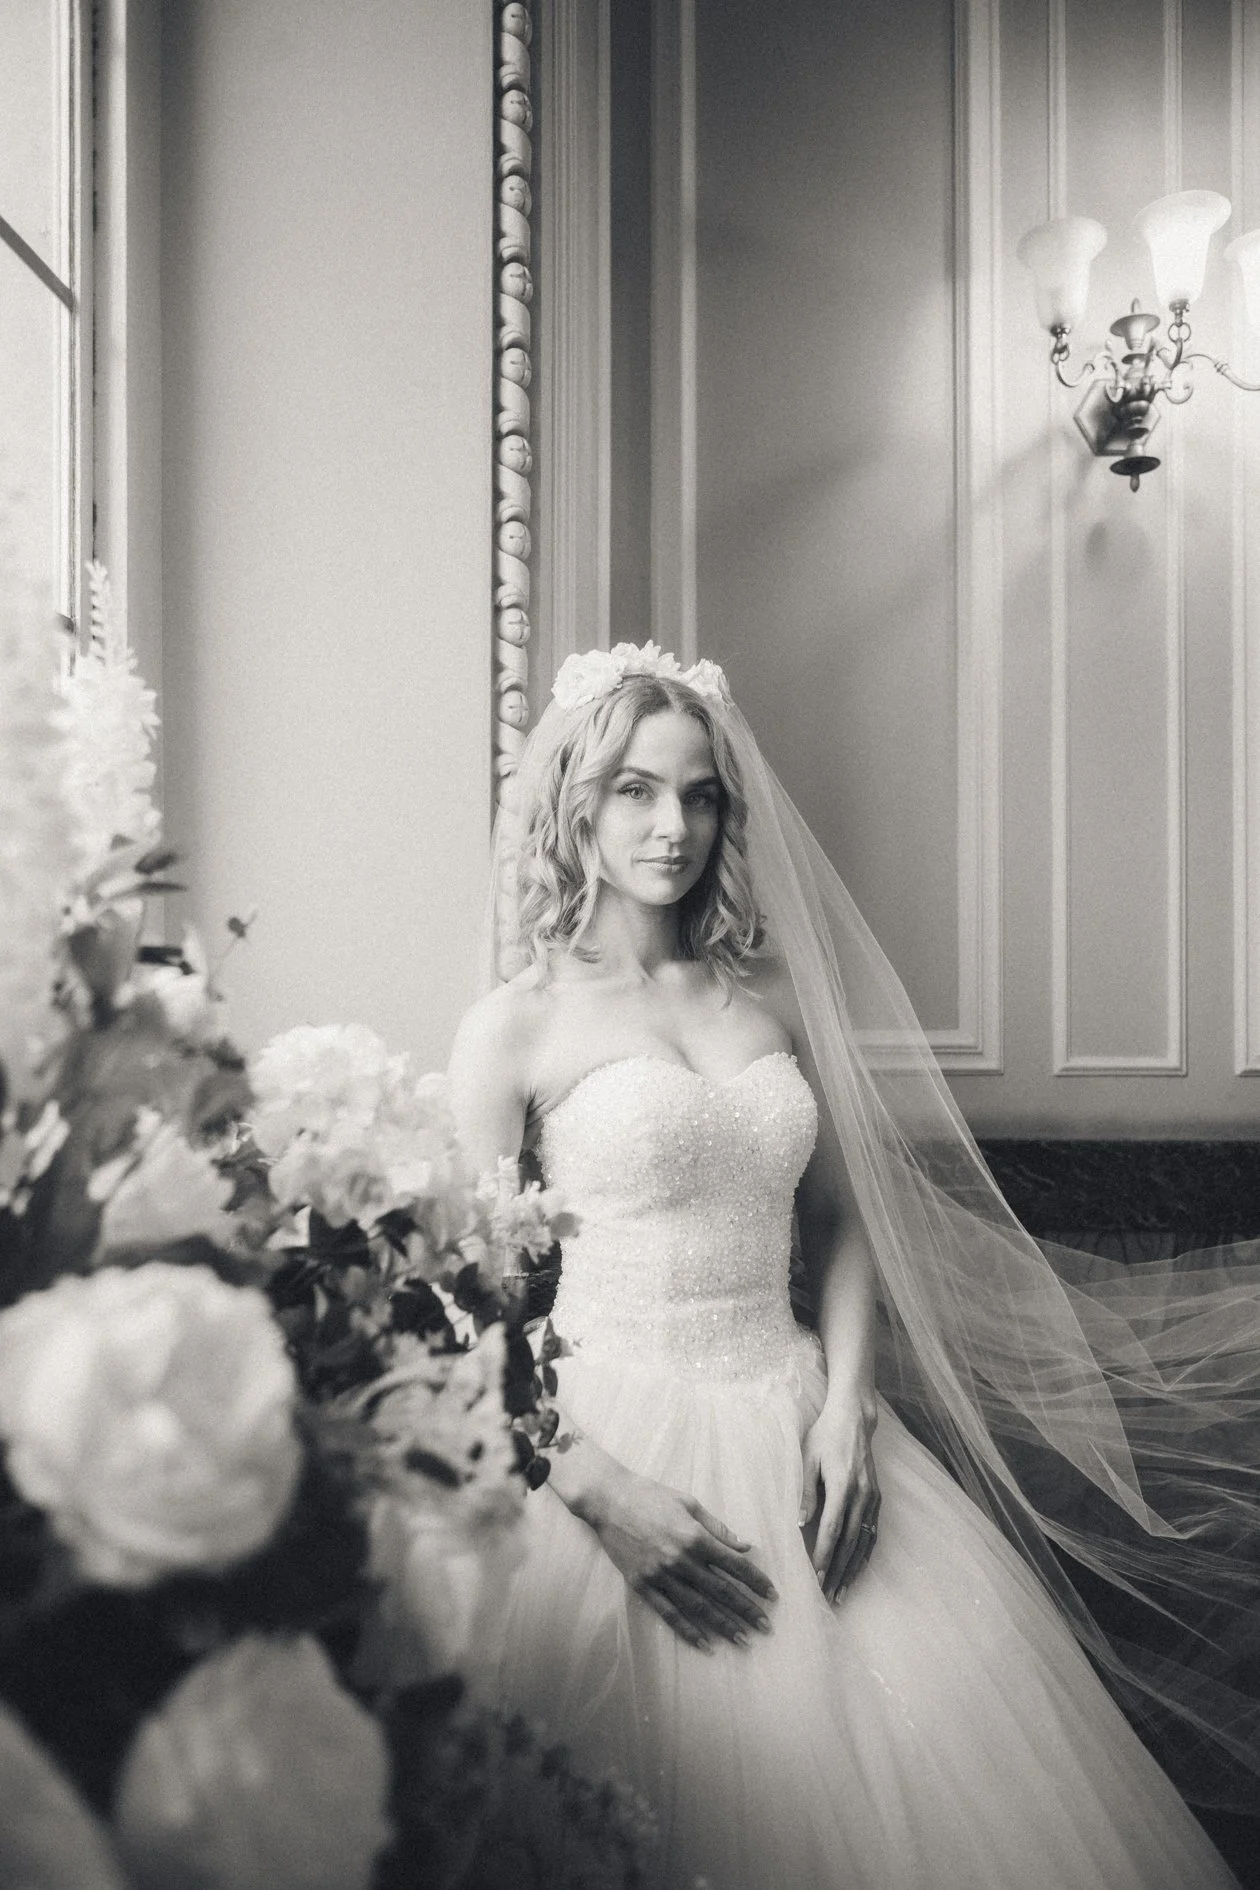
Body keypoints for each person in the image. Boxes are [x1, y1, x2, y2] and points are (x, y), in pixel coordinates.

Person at [448, 641, 1260, 1890]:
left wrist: (845, 1401)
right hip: (604, 1442)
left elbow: (838, 1221)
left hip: (800, 1420)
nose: (674, 825)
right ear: (577, 800)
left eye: (701, 792)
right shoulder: (515, 1027)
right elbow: (467, 1311)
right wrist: (592, 1484)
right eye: (636, 790)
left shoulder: (764, 993)